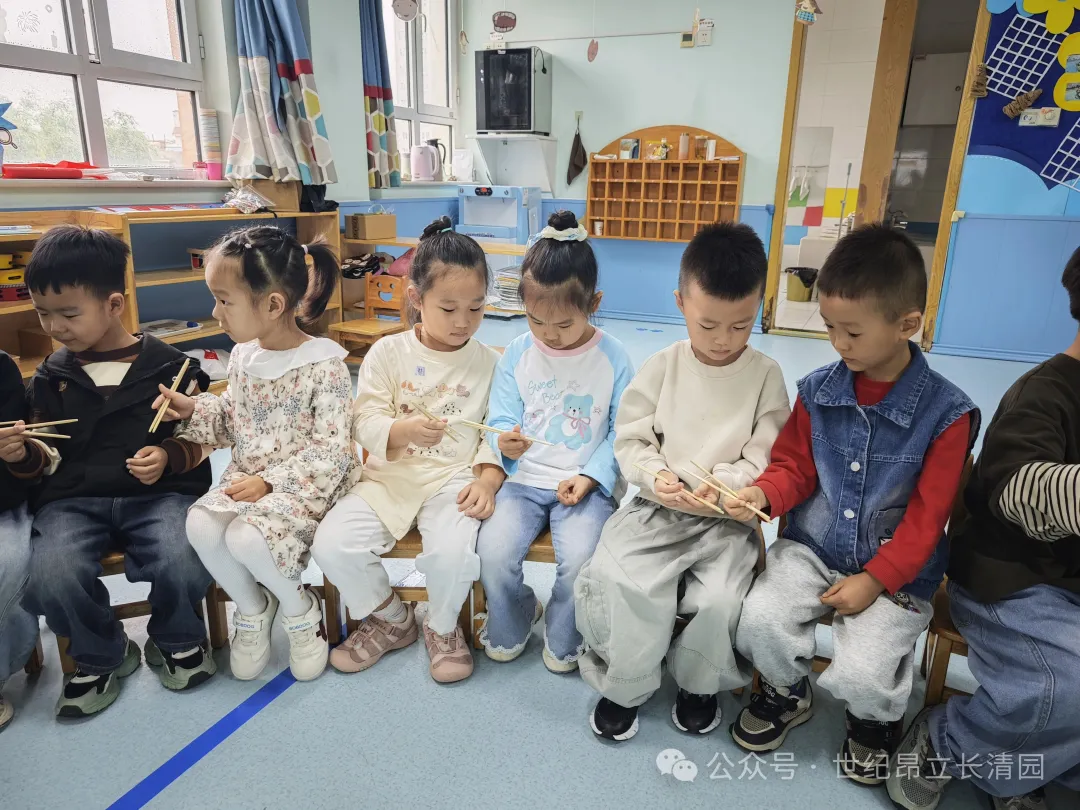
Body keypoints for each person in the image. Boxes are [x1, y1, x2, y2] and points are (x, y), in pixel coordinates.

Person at [727, 225, 978, 786]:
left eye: (853, 332)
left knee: (867, 668)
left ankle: (874, 720)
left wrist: (876, 578)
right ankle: (787, 692)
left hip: (897, 571)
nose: (838, 343)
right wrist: (763, 494)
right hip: (812, 549)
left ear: (907, 325)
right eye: (829, 327)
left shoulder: (947, 415)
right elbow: (794, 467)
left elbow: (927, 520)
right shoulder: (818, 391)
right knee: (760, 617)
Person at [575, 222, 790, 742]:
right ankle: (627, 683)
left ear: (760, 307)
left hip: (726, 519)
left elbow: (766, 453)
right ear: (680, 303)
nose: (723, 340)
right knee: (623, 580)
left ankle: (698, 684)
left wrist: (729, 482)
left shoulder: (765, 376)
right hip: (657, 509)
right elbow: (631, 440)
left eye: (741, 325)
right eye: (707, 324)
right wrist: (656, 476)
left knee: (720, 599)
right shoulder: (662, 366)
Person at [887, 247, 1080, 810]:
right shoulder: (1045, 393)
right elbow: (1021, 487)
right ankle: (950, 741)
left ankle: (1035, 763)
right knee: (1062, 684)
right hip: (1016, 581)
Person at [4, 226, 216, 719]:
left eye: (69, 313)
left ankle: (177, 638)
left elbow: (205, 437)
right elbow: (45, 458)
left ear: (114, 304)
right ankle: (101, 652)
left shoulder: (173, 368)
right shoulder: (51, 377)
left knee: (183, 554)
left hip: (160, 496)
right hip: (74, 501)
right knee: (49, 572)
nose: (54, 326)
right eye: (43, 313)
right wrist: (19, 456)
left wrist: (168, 456)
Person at [156, 226, 360, 684]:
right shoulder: (243, 356)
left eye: (224, 301)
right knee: (200, 524)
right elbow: (232, 419)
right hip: (250, 478)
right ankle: (253, 608)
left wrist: (270, 482)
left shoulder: (324, 363)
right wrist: (192, 408)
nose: (215, 313)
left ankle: (300, 611)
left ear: (273, 305)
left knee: (246, 538)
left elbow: (331, 452)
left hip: (307, 487)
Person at [312, 217, 505, 684]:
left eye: (476, 307)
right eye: (449, 308)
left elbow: (495, 431)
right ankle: (393, 620)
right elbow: (363, 420)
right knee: (331, 544)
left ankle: (442, 626)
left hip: (453, 480)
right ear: (417, 299)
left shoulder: (491, 362)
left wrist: (487, 479)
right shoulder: (387, 352)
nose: (463, 321)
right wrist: (403, 430)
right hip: (389, 479)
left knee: (454, 555)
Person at [476, 211, 634, 673]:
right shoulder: (517, 353)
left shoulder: (613, 357)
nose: (549, 334)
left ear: (594, 302)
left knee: (582, 558)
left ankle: (565, 634)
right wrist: (505, 442)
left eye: (564, 323)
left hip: (583, 486)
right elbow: (501, 416)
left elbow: (623, 431)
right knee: (493, 552)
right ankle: (517, 613)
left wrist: (591, 477)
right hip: (522, 482)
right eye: (535, 320)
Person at [0, 350, 41, 731]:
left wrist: (15, 453)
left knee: (9, 563)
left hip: (4, 502)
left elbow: (22, 460)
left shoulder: (2, 368)